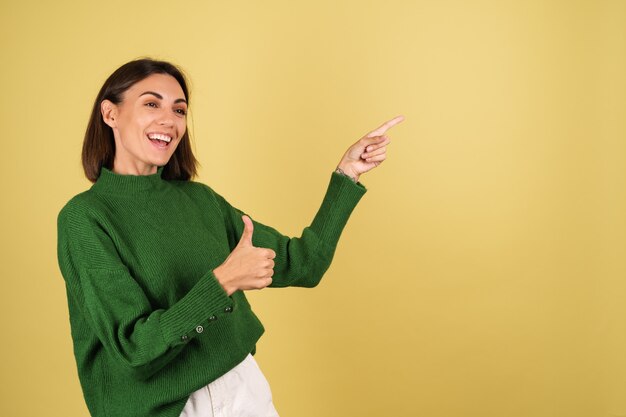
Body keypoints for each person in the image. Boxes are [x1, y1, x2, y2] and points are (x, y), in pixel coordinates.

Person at [56, 57, 404, 417]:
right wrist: (223, 282)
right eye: (151, 103)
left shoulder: (200, 201)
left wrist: (346, 176)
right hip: (161, 408)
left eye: (179, 110)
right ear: (110, 114)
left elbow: (306, 264)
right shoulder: (85, 218)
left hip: (241, 391)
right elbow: (134, 349)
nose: (169, 120)